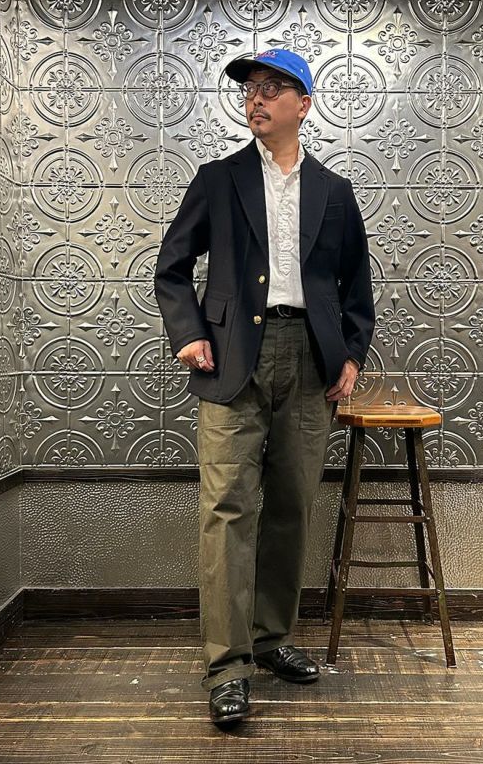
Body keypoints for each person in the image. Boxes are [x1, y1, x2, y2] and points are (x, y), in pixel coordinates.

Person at [154, 48, 375, 727]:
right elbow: (172, 267)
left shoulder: (335, 191)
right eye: (250, 89)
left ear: (303, 105)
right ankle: (227, 665)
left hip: (309, 361)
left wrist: (351, 352)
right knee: (227, 508)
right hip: (231, 360)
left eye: (274, 88)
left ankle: (271, 638)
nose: (256, 99)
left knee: (290, 505)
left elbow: (355, 284)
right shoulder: (217, 180)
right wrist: (189, 332)